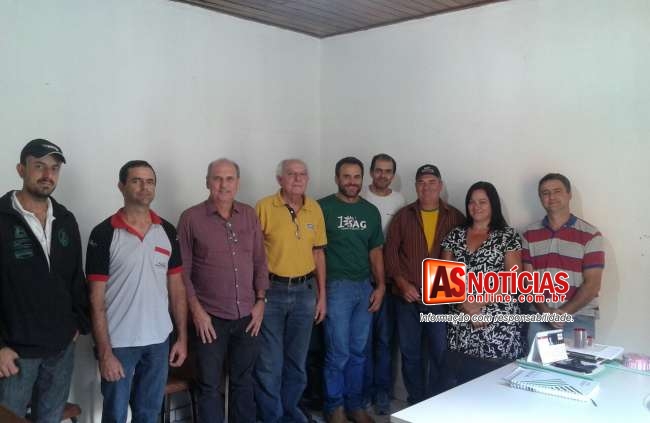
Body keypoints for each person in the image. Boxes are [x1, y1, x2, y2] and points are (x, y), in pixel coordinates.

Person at [86, 160, 188, 423]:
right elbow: (95, 299)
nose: (145, 187)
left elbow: (177, 289)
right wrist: (105, 352)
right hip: (119, 344)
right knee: (115, 415)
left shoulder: (167, 231)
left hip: (159, 342)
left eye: (150, 181)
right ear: (121, 186)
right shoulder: (104, 233)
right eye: (136, 181)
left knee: (149, 414)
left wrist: (182, 338)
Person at [0, 139, 89, 422]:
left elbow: (75, 278)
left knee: (49, 419)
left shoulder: (65, 219)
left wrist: (77, 324)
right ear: (21, 169)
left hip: (60, 349)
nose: (48, 174)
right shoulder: (2, 219)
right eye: (39, 166)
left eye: (54, 168)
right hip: (15, 353)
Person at [177, 158, 268, 423]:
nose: (223, 184)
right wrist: (197, 312)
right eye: (217, 178)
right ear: (207, 182)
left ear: (237, 183)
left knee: (244, 381)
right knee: (209, 385)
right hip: (210, 318)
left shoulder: (249, 214)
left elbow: (260, 261)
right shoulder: (191, 218)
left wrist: (261, 300)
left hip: (248, 316)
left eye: (229, 179)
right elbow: (181, 271)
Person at [254, 159, 327, 423]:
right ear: (279, 179)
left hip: (305, 292)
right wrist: (258, 295)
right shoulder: (264, 207)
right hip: (272, 292)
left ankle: (290, 411)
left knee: (297, 360)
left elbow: (318, 254)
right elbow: (254, 255)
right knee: (269, 363)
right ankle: (272, 416)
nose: (297, 179)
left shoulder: (314, 208)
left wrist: (322, 297)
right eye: (291, 174)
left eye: (302, 174)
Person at [384, 164, 464, 404]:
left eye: (431, 182)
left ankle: (438, 403)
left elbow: (464, 255)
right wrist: (401, 283)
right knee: (411, 353)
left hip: (441, 297)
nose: (426, 187)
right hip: (407, 297)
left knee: (441, 351)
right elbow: (390, 253)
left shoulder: (455, 217)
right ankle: (416, 401)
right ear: (415, 186)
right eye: (421, 182)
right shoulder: (403, 216)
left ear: (440, 185)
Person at [318, 157, 385, 423]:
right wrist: (320, 291)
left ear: (362, 179)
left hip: (364, 287)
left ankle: (355, 405)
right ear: (337, 178)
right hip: (336, 288)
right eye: (346, 176)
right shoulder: (322, 208)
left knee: (358, 352)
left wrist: (380, 285)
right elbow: (315, 251)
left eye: (357, 177)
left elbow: (375, 251)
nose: (352, 182)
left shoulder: (370, 211)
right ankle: (334, 407)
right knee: (338, 353)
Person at [440, 181, 524, 385]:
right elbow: (443, 280)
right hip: (461, 319)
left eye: (482, 202)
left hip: (497, 320)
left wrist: (477, 304)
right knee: (462, 382)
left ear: (493, 204)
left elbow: (513, 280)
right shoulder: (455, 235)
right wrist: (467, 306)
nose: (476, 206)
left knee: (496, 384)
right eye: (472, 202)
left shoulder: (507, 236)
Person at [523, 173, 605, 347]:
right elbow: (528, 281)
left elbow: (592, 284)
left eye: (557, 191)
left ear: (569, 194)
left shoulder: (591, 234)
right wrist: (547, 312)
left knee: (577, 364)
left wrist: (563, 313)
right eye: (545, 193)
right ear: (540, 198)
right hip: (540, 318)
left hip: (579, 318)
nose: (551, 197)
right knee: (536, 365)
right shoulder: (528, 234)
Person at [361, 153, 405, 415]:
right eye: (378, 170)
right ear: (371, 172)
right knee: (363, 342)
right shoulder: (360, 196)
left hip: (387, 280)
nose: (383, 175)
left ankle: (382, 394)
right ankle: (365, 392)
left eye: (388, 171)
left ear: (393, 175)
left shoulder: (400, 200)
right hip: (361, 280)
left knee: (385, 341)